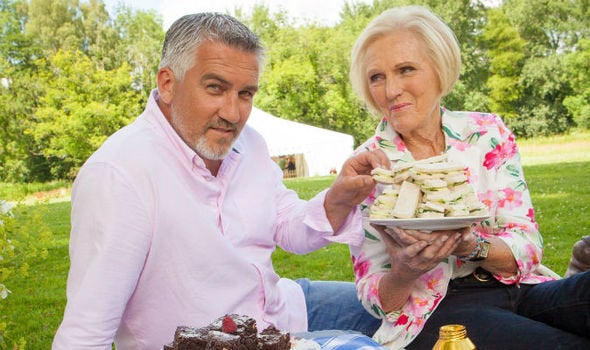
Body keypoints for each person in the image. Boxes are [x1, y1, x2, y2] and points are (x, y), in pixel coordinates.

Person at [52, 13, 386, 349]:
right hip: (215, 341)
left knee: (416, 304)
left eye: (245, 94)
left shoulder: (250, 143)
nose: (233, 113)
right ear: (168, 83)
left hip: (282, 307)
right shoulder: (120, 174)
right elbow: (86, 331)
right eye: (215, 88)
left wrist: (338, 199)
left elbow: (288, 227)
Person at [348, 5, 590, 350]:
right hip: (438, 310)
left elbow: (527, 245)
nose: (391, 90)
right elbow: (374, 297)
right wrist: (404, 270)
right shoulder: (367, 166)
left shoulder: (487, 133)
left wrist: (469, 245)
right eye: (377, 77)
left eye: (406, 70)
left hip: (520, 288)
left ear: (439, 69)